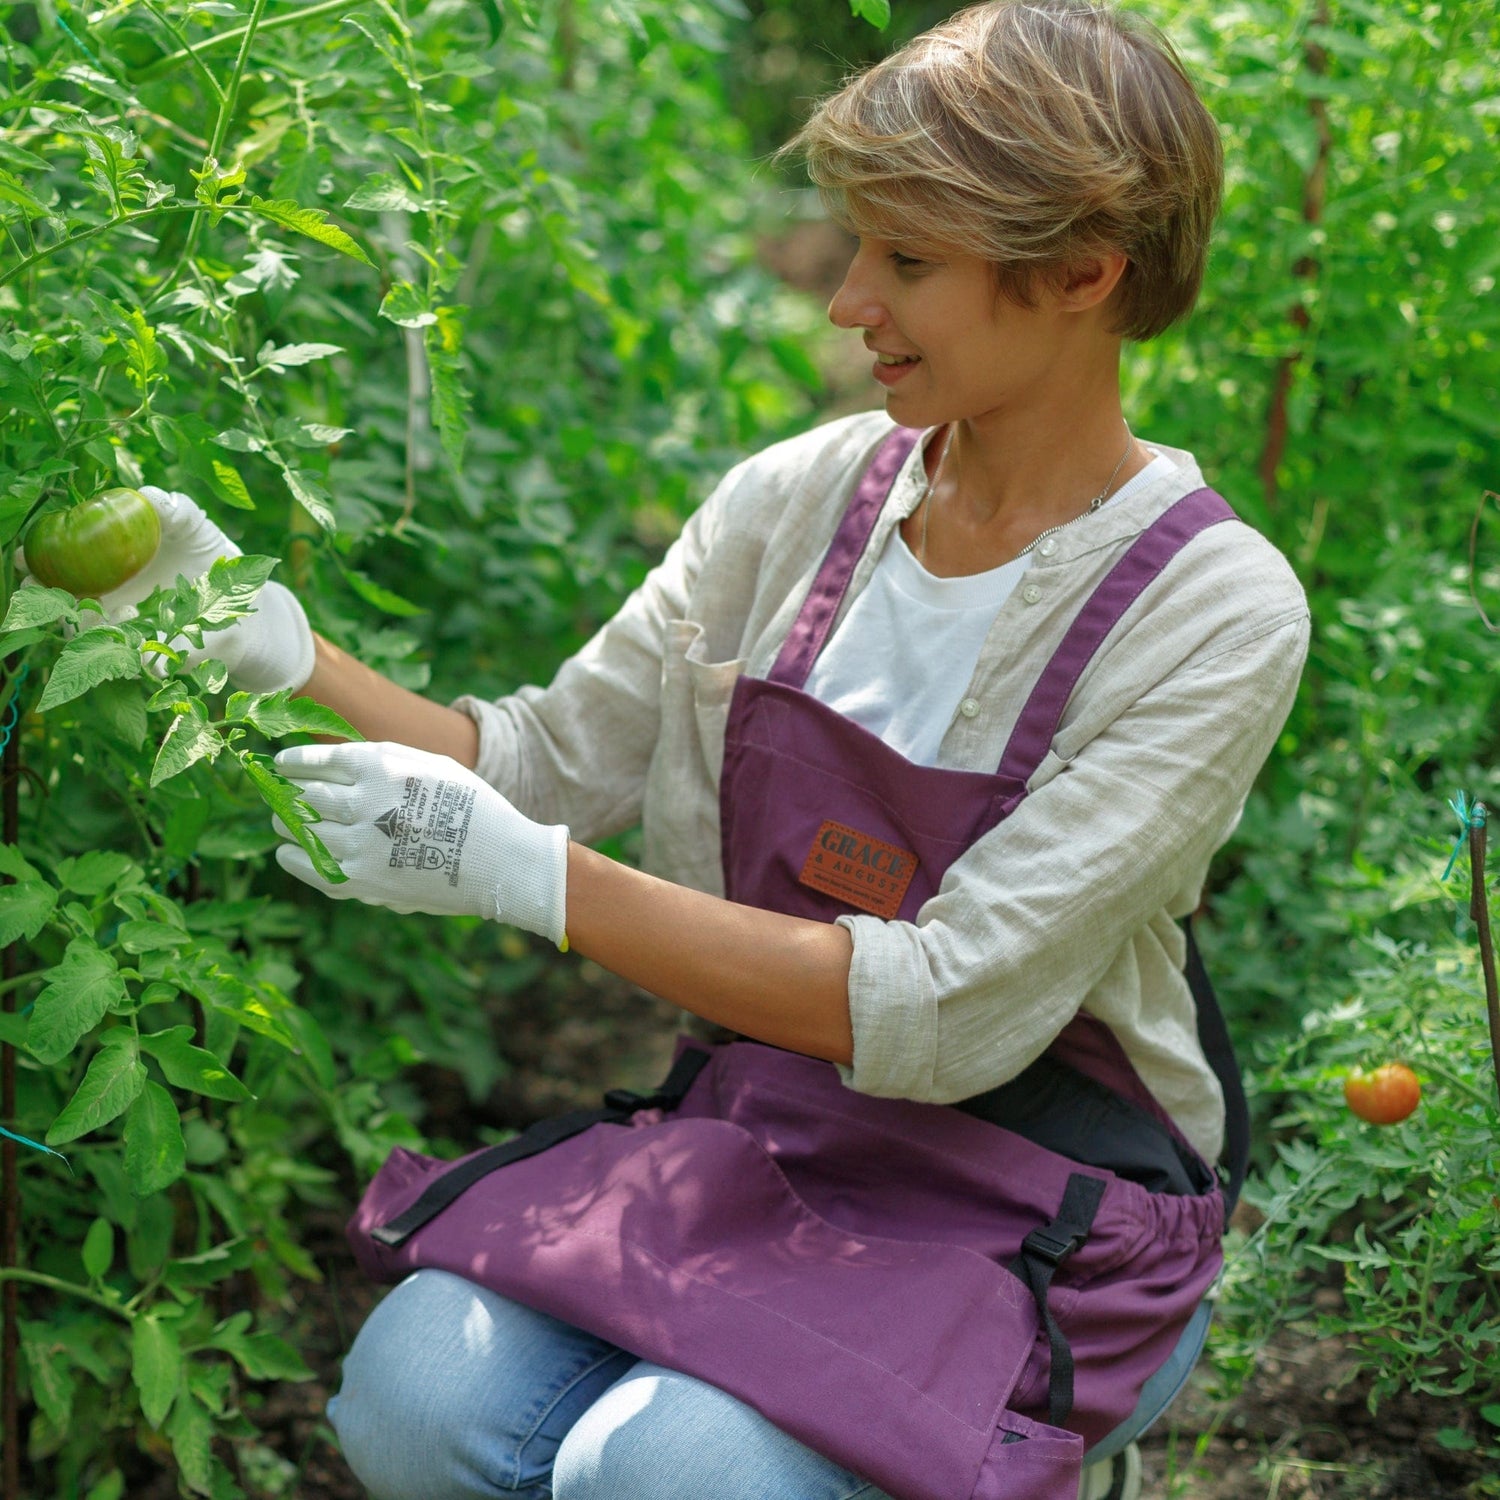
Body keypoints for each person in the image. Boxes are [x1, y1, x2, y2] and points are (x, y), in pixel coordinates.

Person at [126, 4, 1309, 1497]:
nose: (849, 300)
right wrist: (275, 652)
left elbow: (944, 1008)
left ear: (1083, 270)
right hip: (772, 1133)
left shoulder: (1210, 608)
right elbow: (543, 765)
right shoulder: (796, 503)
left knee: (670, 1471)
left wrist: (538, 883)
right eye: (859, 246)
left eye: (908, 261)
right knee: (414, 1400)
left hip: (1046, 1199)